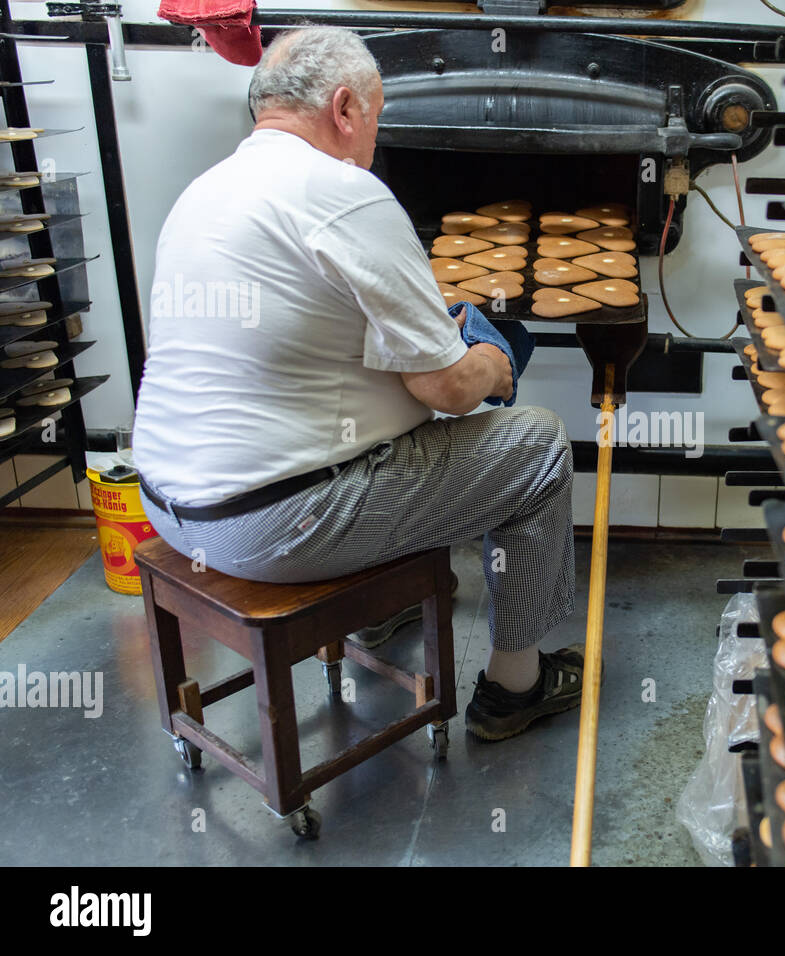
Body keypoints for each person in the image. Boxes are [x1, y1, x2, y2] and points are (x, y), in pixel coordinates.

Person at [133, 26, 581, 741]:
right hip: (274, 526)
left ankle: (381, 612)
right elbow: (449, 390)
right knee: (536, 445)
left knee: (369, 419)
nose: (375, 136)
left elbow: (296, 342)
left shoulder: (206, 190)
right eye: (376, 117)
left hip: (169, 505)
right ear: (345, 107)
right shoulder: (346, 191)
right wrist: (493, 366)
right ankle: (515, 686)